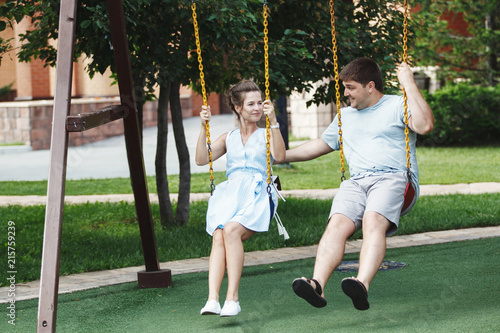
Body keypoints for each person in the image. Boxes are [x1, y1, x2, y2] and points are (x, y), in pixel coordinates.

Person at [286, 58, 434, 310]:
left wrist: (408, 83)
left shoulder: (398, 104)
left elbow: (425, 125)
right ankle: (316, 285)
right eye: (344, 87)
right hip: (356, 182)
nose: (345, 94)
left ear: (370, 86)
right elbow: (319, 146)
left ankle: (361, 284)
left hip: (394, 177)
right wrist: (280, 156)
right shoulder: (345, 116)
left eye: (350, 87)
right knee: (337, 225)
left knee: (372, 219)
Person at [195, 80, 286, 317]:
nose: (257, 108)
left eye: (260, 103)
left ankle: (232, 299)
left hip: (258, 193)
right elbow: (202, 159)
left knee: (232, 230)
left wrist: (274, 121)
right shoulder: (229, 138)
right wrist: (203, 126)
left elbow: (280, 155)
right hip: (232, 193)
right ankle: (213, 300)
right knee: (219, 233)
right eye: (251, 104)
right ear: (238, 107)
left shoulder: (267, 134)